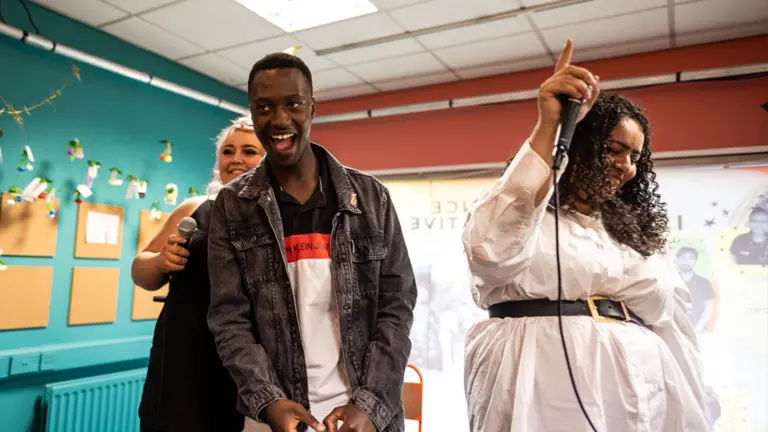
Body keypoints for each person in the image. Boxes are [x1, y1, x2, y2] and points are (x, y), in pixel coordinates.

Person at [461, 40, 708, 431]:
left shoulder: (636, 232)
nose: (626, 166)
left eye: (635, 157)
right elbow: (490, 254)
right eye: (613, 149)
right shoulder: (522, 210)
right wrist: (549, 127)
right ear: (577, 144)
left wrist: (696, 407)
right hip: (542, 380)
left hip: (643, 389)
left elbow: (672, 322)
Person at [206, 52, 417, 432]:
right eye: (264, 107)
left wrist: (369, 405)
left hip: (362, 416)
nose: (280, 119)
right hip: (273, 416)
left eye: (293, 105)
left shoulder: (371, 198)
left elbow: (396, 307)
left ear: (313, 107)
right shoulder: (233, 205)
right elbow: (229, 318)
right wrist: (268, 402)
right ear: (253, 114)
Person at [132, 116, 264, 432]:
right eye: (228, 151)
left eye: (249, 151)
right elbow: (141, 269)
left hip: (242, 358)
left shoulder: (281, 219)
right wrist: (161, 262)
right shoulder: (195, 207)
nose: (236, 160)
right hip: (181, 354)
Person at [675, 247, 716, 330]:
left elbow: (709, 307)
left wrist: (698, 327)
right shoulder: (670, 280)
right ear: (677, 260)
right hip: (674, 329)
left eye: (691, 258)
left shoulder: (704, 282)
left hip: (699, 329)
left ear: (695, 261)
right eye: (683, 258)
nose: (686, 261)